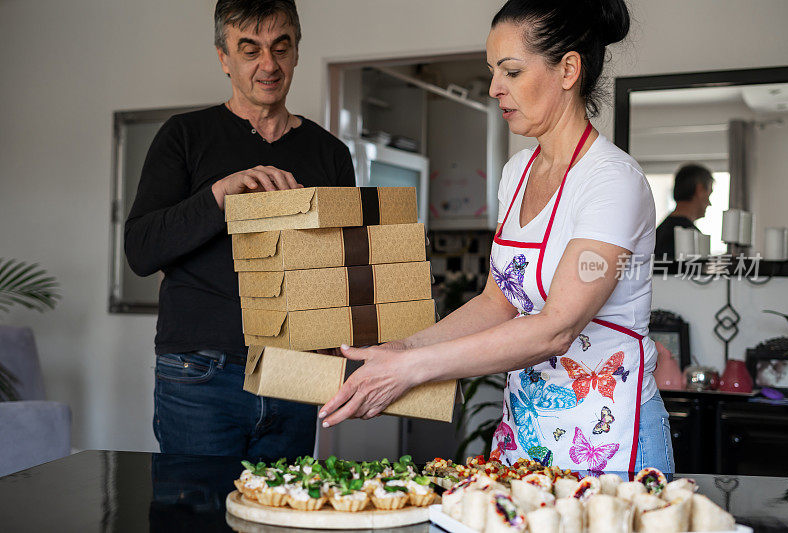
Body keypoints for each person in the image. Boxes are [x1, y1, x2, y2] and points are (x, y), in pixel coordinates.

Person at [320, 0, 675, 473]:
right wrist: (405, 349)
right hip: (526, 440)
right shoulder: (517, 172)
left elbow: (556, 329)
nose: (494, 89)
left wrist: (415, 369)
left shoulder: (612, 181)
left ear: (568, 69)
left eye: (510, 71)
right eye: (493, 72)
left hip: (607, 440)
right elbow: (497, 301)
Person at [125, 0, 355, 457]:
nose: (268, 65)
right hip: (200, 372)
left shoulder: (330, 153)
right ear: (223, 58)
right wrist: (219, 195)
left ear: (296, 51)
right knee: (195, 522)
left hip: (295, 372)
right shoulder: (183, 136)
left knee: (283, 515)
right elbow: (141, 250)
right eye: (250, 50)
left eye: (280, 47)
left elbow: (338, 268)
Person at [654, 163, 714, 258]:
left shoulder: (658, 233)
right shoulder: (693, 239)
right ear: (700, 190)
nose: (709, 203)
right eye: (709, 194)